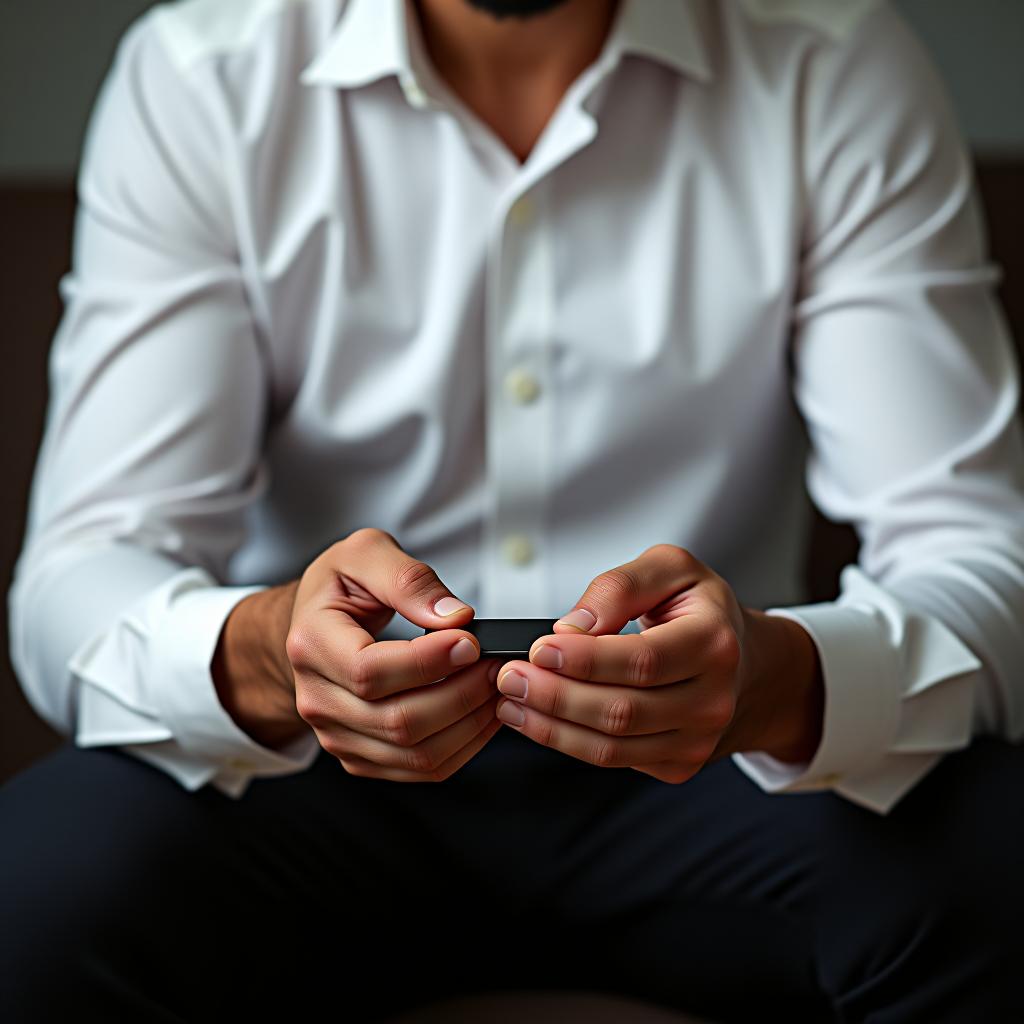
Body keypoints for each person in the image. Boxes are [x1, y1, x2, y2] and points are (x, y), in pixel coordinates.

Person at [3, 0, 1023, 1019]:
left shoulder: (831, 62)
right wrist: (268, 654)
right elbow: (84, 572)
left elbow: (976, 550)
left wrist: (778, 683)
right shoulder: (205, 74)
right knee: (32, 895)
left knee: (996, 864)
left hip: (717, 763)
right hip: (312, 765)